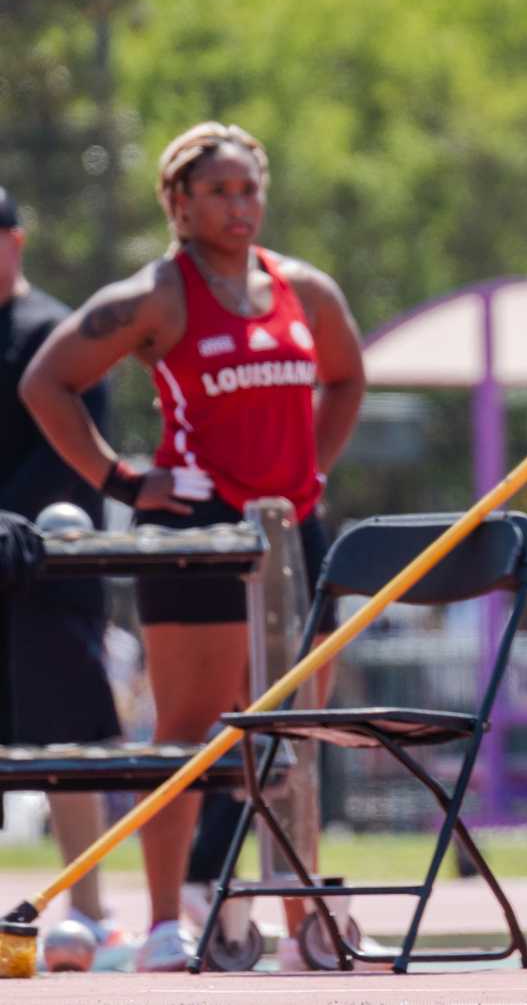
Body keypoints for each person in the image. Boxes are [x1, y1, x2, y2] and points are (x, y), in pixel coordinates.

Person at [22, 123, 366, 972]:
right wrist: (126, 482)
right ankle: (168, 922)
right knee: (189, 732)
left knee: (293, 732)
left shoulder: (306, 290)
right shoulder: (155, 297)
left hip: (290, 536)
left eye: (248, 188)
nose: (236, 205)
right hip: (198, 536)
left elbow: (347, 374)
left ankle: (300, 918)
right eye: (217, 191)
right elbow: (47, 381)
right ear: (177, 202)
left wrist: (308, 472)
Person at [0, 185, 126, 952]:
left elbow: (75, 455)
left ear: (14, 238)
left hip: (48, 568)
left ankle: (91, 908)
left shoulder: (56, 331)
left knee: (69, 743)